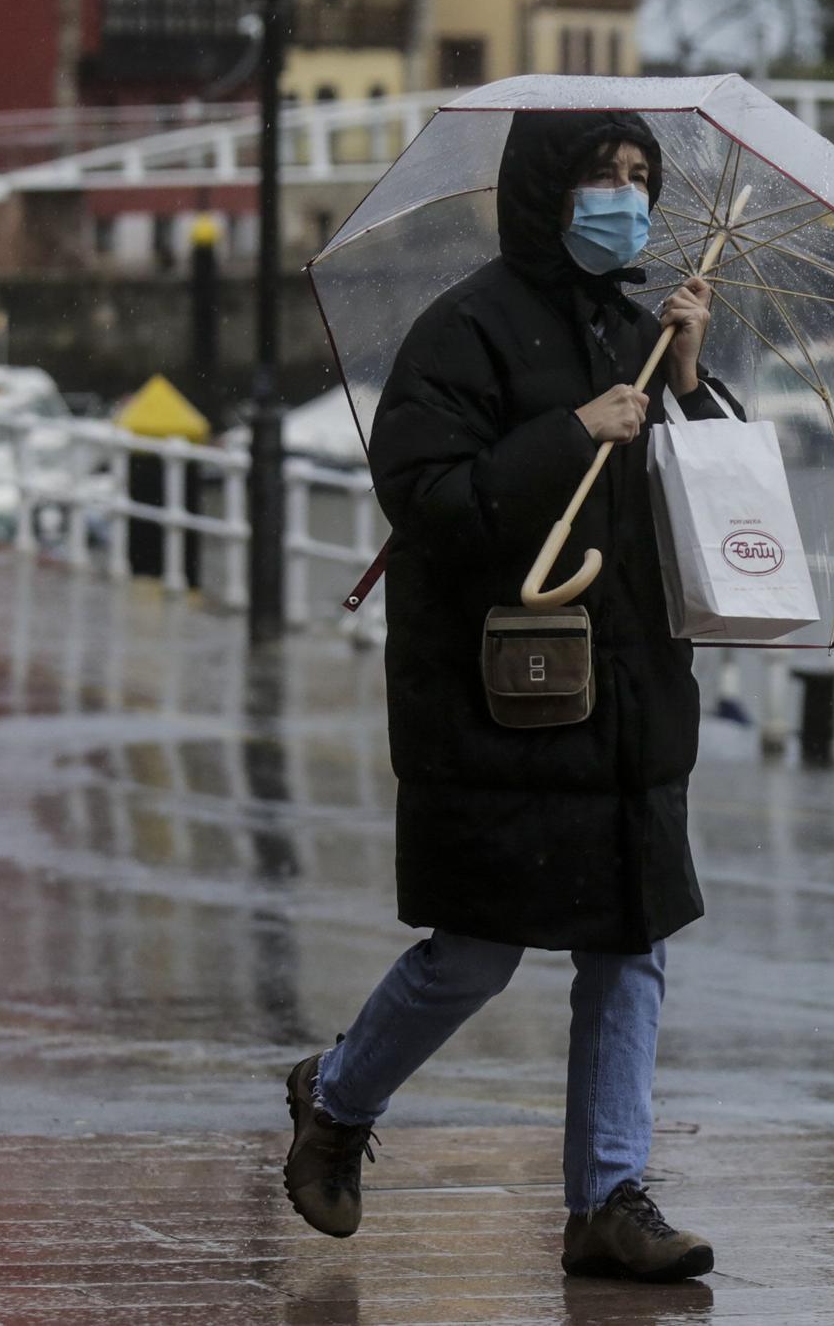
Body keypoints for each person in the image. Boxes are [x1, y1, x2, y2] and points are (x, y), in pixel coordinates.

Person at [279, 109, 730, 1284]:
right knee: (474, 950)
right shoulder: (463, 330)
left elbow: (715, 526)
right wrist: (567, 431)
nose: (623, 198)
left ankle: (607, 1198)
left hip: (628, 701)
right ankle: (334, 1100)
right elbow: (424, 495)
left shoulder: (638, 333)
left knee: (629, 947)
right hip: (499, 698)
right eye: (600, 174)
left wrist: (687, 385)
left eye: (640, 178)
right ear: (545, 187)